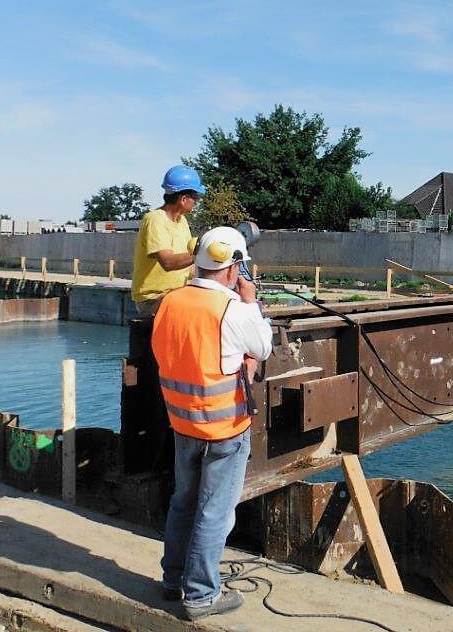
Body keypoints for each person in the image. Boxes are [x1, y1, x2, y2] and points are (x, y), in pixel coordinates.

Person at [151, 225, 272, 620]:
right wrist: (251, 301)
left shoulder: (170, 302)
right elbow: (263, 347)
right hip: (225, 430)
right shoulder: (232, 310)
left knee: (183, 502)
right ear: (234, 267)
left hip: (183, 424)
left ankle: (174, 580)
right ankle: (202, 595)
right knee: (214, 511)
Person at [131, 165, 206, 316]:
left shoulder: (182, 221)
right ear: (184, 199)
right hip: (153, 299)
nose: (196, 202)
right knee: (201, 312)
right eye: (195, 198)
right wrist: (204, 252)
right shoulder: (155, 219)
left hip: (175, 294)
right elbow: (168, 263)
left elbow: (188, 266)